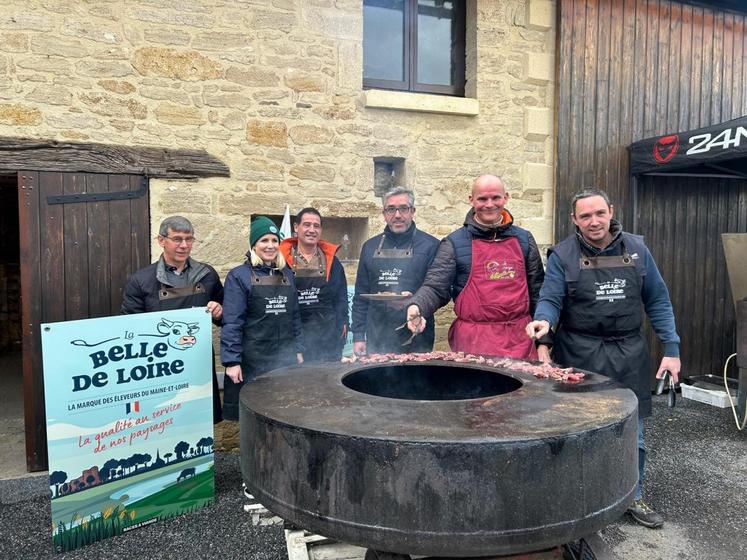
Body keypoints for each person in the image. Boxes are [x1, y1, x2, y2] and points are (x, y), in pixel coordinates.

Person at [525, 187, 681, 529]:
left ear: (611, 211)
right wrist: (544, 322)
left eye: (599, 213)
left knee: (633, 434)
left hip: (629, 355)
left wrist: (672, 349)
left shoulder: (638, 249)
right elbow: (551, 299)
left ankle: (633, 496)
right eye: (585, 216)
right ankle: (575, 498)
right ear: (574, 220)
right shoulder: (562, 255)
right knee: (575, 432)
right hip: (579, 356)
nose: (594, 222)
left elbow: (658, 300)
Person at [405, 175, 544, 360]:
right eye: (482, 199)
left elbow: (538, 292)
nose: (489, 204)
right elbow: (436, 286)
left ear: (506, 197)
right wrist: (417, 305)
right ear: (471, 200)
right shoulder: (454, 243)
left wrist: (544, 344)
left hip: (520, 339)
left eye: (495, 198)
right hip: (474, 342)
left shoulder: (524, 240)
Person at [121, 215, 224, 423]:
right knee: (163, 419)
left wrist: (220, 312)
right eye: (177, 239)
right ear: (161, 240)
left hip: (198, 363)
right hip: (160, 368)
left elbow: (227, 313)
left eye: (189, 239)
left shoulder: (207, 275)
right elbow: (130, 328)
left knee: (199, 418)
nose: (184, 245)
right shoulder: (141, 281)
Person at [220, 216, 304, 421]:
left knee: (282, 411)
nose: (270, 245)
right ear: (254, 245)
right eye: (264, 241)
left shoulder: (288, 274)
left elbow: (295, 316)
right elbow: (232, 321)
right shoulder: (239, 276)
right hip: (252, 359)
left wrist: (299, 349)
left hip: (283, 358)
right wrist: (232, 361)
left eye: (274, 240)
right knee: (253, 415)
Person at [352, 187, 439, 354]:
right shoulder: (369, 247)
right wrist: (358, 336)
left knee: (419, 380)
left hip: (417, 331)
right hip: (377, 332)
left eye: (404, 208)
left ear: (412, 211)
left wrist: (415, 302)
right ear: (384, 213)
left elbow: (437, 290)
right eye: (391, 209)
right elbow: (360, 295)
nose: (397, 215)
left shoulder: (430, 245)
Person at [279, 207, 349, 362]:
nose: (312, 230)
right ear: (296, 228)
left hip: (327, 338)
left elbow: (341, 301)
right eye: (307, 225)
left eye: (316, 226)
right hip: (293, 337)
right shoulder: (281, 261)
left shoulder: (333, 262)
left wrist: (342, 331)